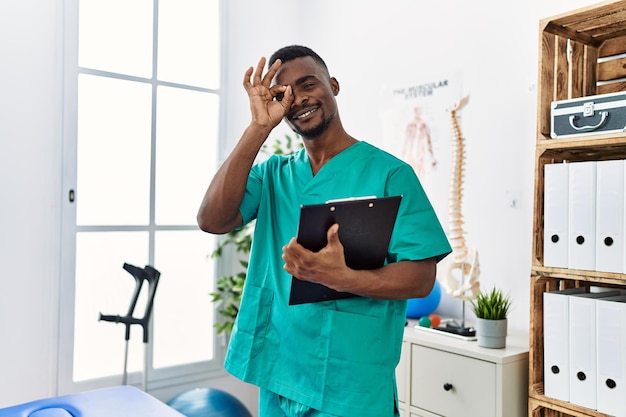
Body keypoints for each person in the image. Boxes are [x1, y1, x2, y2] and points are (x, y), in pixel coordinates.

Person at [197, 45, 451, 417]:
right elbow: (212, 220)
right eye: (283, 93)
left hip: (351, 383)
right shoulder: (273, 176)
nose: (298, 98)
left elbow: (420, 278)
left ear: (333, 85)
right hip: (279, 371)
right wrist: (258, 128)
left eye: (308, 84)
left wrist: (344, 278)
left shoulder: (390, 175)